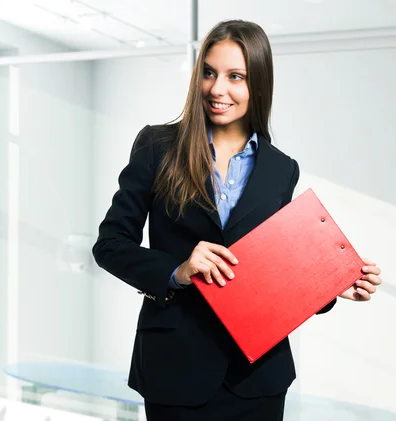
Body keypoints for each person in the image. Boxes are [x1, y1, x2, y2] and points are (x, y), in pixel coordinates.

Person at [92, 19, 383, 421]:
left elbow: (276, 272)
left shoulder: (282, 170)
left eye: (235, 76)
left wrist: (329, 286)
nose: (217, 88)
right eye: (209, 73)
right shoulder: (158, 146)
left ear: (258, 85)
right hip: (174, 369)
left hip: (259, 377)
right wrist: (178, 270)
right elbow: (109, 245)